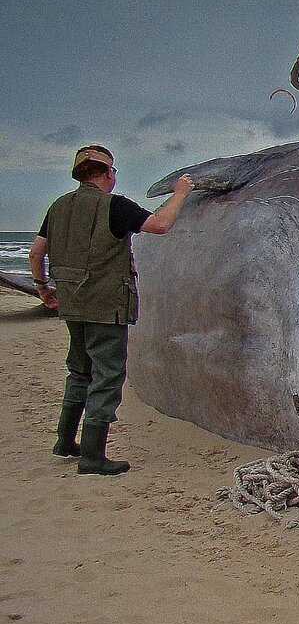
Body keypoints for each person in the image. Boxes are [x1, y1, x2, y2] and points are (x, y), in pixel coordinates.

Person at [29, 146, 194, 475]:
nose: (114, 176)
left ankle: (64, 441)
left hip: (72, 305)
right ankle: (92, 456)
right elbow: (160, 225)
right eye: (113, 171)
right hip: (106, 306)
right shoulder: (114, 206)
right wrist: (180, 193)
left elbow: (36, 253)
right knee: (107, 377)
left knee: (79, 370)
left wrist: (43, 287)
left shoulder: (59, 207)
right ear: (106, 174)